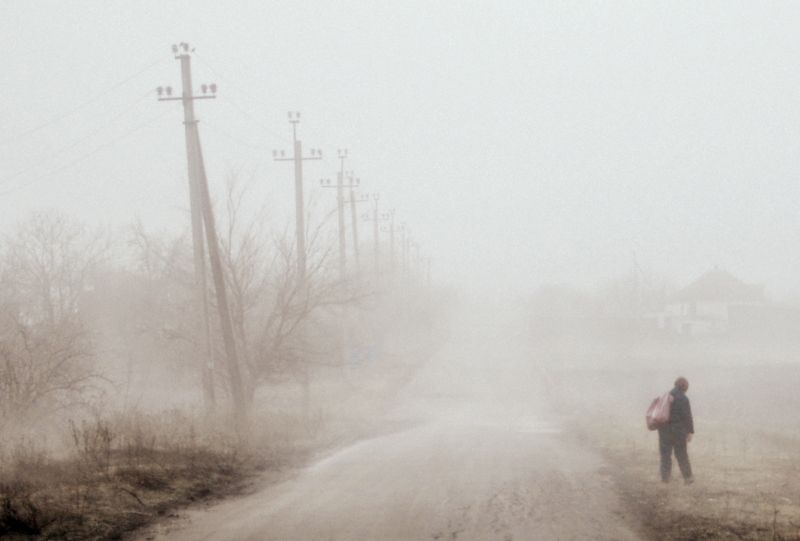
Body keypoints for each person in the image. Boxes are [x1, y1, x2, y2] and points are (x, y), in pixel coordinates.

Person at [658, 376, 694, 484]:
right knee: (682, 455)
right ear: (685, 387)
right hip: (678, 431)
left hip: (664, 430)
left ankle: (665, 479)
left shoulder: (666, 396)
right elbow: (687, 416)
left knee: (665, 456)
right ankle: (688, 478)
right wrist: (689, 432)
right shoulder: (683, 398)